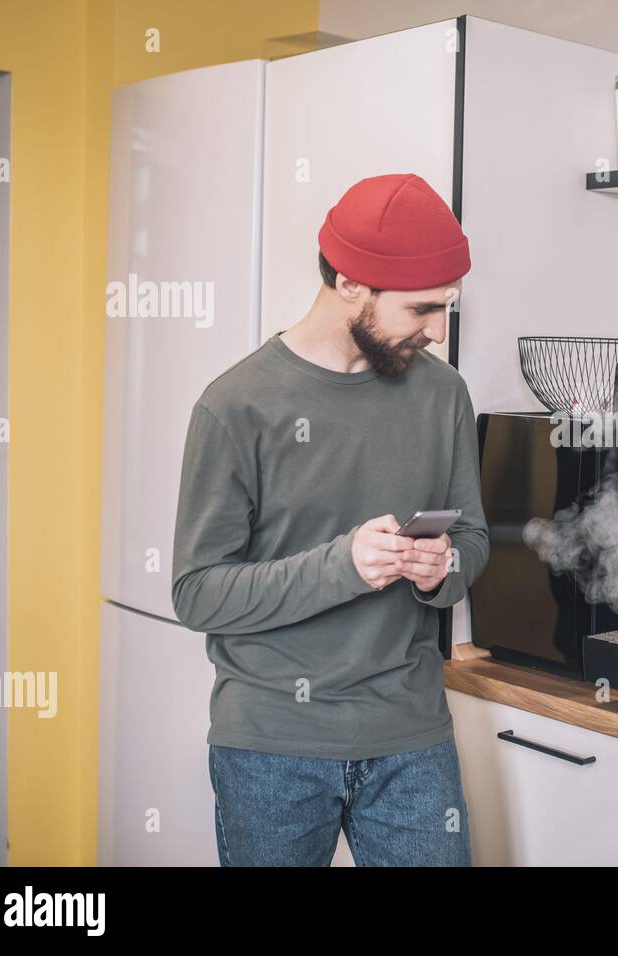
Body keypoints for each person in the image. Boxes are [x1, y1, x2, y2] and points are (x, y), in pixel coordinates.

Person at [171, 173, 489, 866]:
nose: (439, 332)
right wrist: (342, 566)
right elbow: (197, 592)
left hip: (410, 735)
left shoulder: (443, 395)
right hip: (271, 745)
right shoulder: (236, 407)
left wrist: (443, 568)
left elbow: (471, 539)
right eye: (423, 309)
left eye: (447, 308)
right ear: (350, 284)